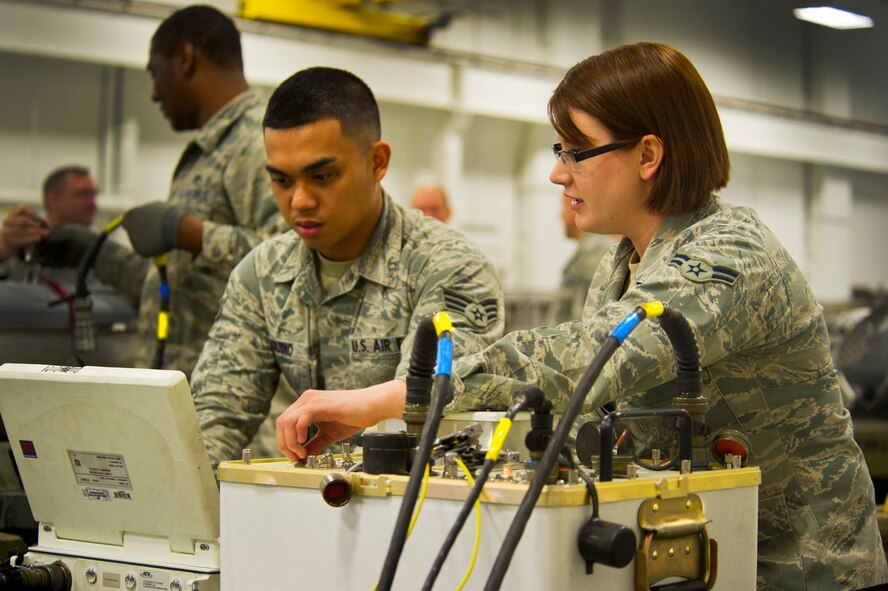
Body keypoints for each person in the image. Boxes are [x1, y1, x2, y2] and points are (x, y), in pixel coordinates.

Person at [273, 43, 888, 588]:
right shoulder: (620, 265)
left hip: (799, 567)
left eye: (577, 152)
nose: (556, 172)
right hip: (689, 553)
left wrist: (383, 399)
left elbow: (585, 356)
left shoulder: (733, 256)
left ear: (648, 154)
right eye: (558, 149)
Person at [189, 66, 505, 467]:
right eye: (282, 181)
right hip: (301, 500)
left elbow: (429, 400)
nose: (300, 200)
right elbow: (216, 417)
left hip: (410, 505)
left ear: (377, 162)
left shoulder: (448, 267)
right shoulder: (262, 274)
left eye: (322, 176)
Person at [36, 5, 284, 376]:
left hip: (237, 406)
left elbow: (291, 261)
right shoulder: (208, 149)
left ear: (185, 58)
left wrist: (187, 232)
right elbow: (174, 285)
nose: (153, 93)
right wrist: (91, 251)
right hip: (189, 392)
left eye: (156, 73)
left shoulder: (255, 140)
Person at [0, 166, 97, 265]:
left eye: (94, 194)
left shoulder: (93, 247)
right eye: (82, 194)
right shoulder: (23, 241)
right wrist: (5, 247)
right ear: (53, 200)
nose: (92, 202)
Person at [545, 196, 616, 325]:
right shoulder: (589, 249)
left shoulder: (596, 251)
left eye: (563, 207)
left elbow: (585, 319)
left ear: (576, 208)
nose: (560, 215)